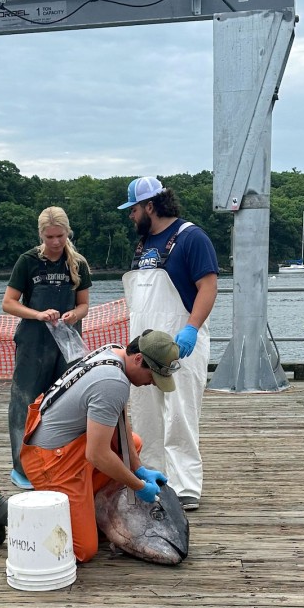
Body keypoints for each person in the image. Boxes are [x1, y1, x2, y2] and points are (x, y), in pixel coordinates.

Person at [0, 330, 180, 563]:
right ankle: (7, 511)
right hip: (50, 460)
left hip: (65, 445)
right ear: (138, 359)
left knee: (133, 444)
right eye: (153, 376)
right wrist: (137, 485)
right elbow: (97, 454)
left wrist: (139, 468)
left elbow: (120, 421)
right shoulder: (113, 383)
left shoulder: (115, 353)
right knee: (80, 549)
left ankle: (80, 507)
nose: (153, 384)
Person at [117, 176, 219, 511]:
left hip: (179, 342)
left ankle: (186, 485)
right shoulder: (143, 245)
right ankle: (152, 478)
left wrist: (191, 328)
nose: (131, 216)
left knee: (180, 414)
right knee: (146, 415)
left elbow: (207, 286)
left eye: (134, 209)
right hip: (142, 348)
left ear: (150, 206)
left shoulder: (192, 238)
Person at [2, 207, 91, 490]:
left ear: (68, 233)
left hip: (66, 343)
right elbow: (9, 303)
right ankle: (22, 466)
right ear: (41, 235)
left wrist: (75, 315)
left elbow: (84, 305)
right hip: (32, 342)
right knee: (25, 402)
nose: (55, 242)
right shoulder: (28, 261)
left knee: (64, 400)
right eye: (49, 236)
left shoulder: (78, 264)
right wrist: (38, 314)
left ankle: (59, 462)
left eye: (60, 236)